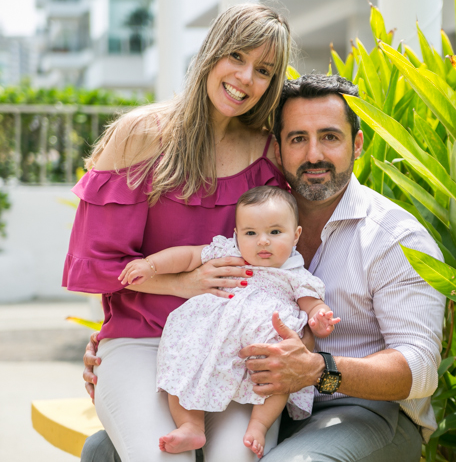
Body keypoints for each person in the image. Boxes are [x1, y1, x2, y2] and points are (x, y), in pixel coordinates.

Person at [82, 74, 446, 461]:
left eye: (330, 137)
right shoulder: (252, 222)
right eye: (297, 139)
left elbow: (420, 368)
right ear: (278, 148)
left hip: (361, 411)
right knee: (104, 450)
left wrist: (317, 370)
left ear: (357, 144)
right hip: (259, 400)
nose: (313, 155)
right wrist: (125, 356)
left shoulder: (395, 238)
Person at [63, 4, 293, 462]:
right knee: (164, 458)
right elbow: (96, 264)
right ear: (211, 54)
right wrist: (182, 284)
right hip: (140, 341)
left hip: (228, 350)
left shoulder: (269, 153)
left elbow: (282, 264)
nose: (246, 77)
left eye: (264, 70)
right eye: (236, 56)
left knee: (238, 458)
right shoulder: (142, 134)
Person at [118, 186, 340, 458]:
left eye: (274, 232)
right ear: (236, 235)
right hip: (211, 335)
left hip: (262, 346)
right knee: (183, 359)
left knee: (278, 376)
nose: (262, 241)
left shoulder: (296, 274)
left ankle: (258, 425)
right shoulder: (227, 251)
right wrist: (150, 266)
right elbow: (188, 256)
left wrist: (320, 318)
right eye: (250, 233)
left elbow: (311, 304)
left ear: (295, 236)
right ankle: (190, 425)